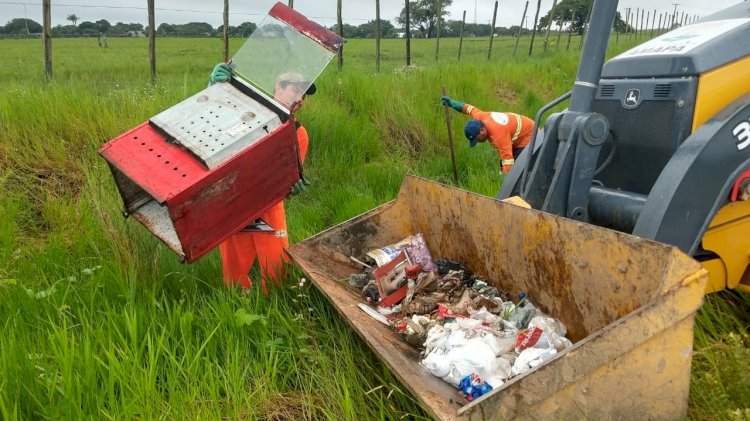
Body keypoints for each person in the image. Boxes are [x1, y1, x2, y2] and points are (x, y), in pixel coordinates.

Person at [209, 63, 314, 292]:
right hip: (236, 205)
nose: (301, 99)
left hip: (269, 208)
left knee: (278, 273)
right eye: (296, 91)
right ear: (278, 86)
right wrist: (215, 89)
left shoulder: (298, 133)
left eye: (304, 95)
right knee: (234, 276)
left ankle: (274, 309)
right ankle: (238, 309)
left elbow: (290, 176)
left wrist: (291, 187)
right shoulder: (245, 113)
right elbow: (213, 129)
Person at [441, 95, 535, 175]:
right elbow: (468, 108)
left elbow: (508, 161)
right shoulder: (479, 117)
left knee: (518, 170)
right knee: (505, 168)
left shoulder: (497, 134)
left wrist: (503, 183)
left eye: (477, 139)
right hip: (516, 137)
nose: (478, 142)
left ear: (481, 130)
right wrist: (452, 103)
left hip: (530, 136)